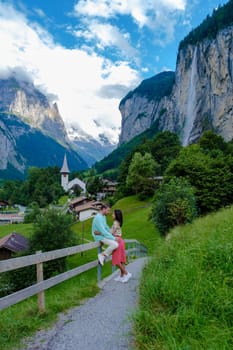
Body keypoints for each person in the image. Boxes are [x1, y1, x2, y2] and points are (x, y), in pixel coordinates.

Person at [111, 209, 132, 283]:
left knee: (116, 260)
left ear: (116, 215)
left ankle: (126, 274)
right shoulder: (118, 222)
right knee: (122, 259)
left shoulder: (115, 223)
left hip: (117, 241)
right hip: (121, 240)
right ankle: (122, 276)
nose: (112, 215)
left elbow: (112, 233)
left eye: (113, 214)